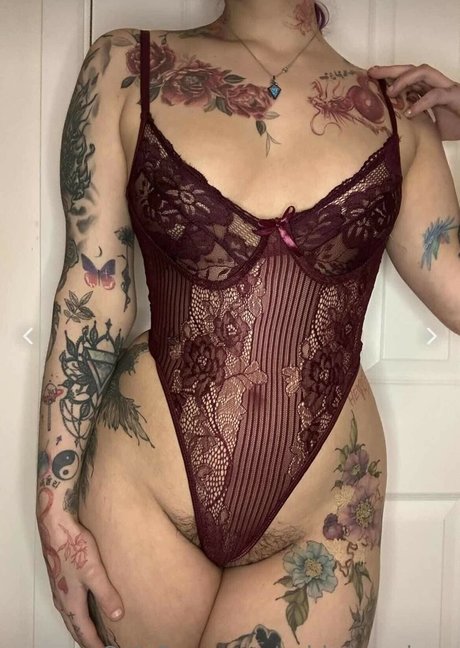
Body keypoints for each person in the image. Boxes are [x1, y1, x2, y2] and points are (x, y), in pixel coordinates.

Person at [36, 1, 460, 647]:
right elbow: (92, 293)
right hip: (142, 491)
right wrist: (52, 505)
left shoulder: (401, 119)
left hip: (322, 515)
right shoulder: (125, 66)